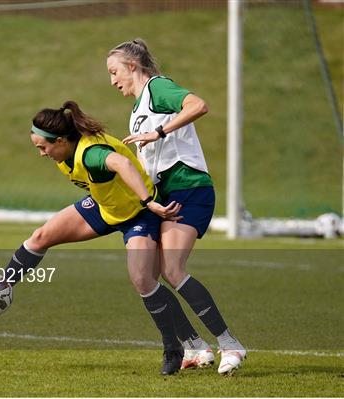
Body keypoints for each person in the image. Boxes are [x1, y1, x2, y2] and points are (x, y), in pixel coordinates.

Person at [3, 100, 185, 375]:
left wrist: (148, 201)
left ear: (62, 140)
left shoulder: (90, 154)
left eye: (43, 147)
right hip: (105, 207)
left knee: (141, 279)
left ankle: (174, 347)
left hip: (139, 213)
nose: (41, 154)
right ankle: (2, 286)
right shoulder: (65, 152)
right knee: (41, 236)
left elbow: (122, 163)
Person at [107, 39, 246, 375]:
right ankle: (195, 347)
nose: (112, 81)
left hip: (189, 188)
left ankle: (230, 344)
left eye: (115, 72)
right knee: (147, 276)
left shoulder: (158, 88)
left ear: (134, 66)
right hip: (166, 194)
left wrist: (158, 132)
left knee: (172, 269)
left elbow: (198, 105)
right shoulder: (138, 108)